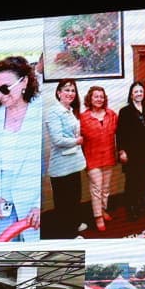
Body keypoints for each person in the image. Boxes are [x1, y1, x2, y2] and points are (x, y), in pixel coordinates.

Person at [0, 56, 42, 242]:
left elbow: (50, 163)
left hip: (32, 202)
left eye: (5, 88)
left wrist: (40, 204)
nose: (0, 95)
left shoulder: (41, 110)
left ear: (24, 82)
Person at [43, 78, 86, 237]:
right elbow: (58, 140)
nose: (70, 93)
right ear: (59, 92)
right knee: (64, 203)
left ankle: (74, 224)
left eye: (73, 90)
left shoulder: (70, 110)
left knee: (75, 198)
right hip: (61, 166)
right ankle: (68, 234)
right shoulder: (53, 112)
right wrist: (77, 141)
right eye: (67, 90)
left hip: (74, 162)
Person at [78, 86, 118, 232]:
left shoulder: (111, 114)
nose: (99, 99)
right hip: (92, 158)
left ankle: (102, 209)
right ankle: (98, 216)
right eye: (96, 96)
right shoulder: (83, 117)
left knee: (105, 189)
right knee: (96, 188)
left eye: (101, 96)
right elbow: (77, 138)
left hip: (108, 156)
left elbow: (120, 133)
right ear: (90, 98)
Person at [114, 81, 145, 221]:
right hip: (131, 153)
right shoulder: (125, 111)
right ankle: (131, 208)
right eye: (136, 91)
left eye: (141, 91)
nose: (139, 94)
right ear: (131, 95)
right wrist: (121, 151)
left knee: (142, 180)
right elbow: (120, 133)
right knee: (131, 182)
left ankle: (140, 204)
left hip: (144, 153)